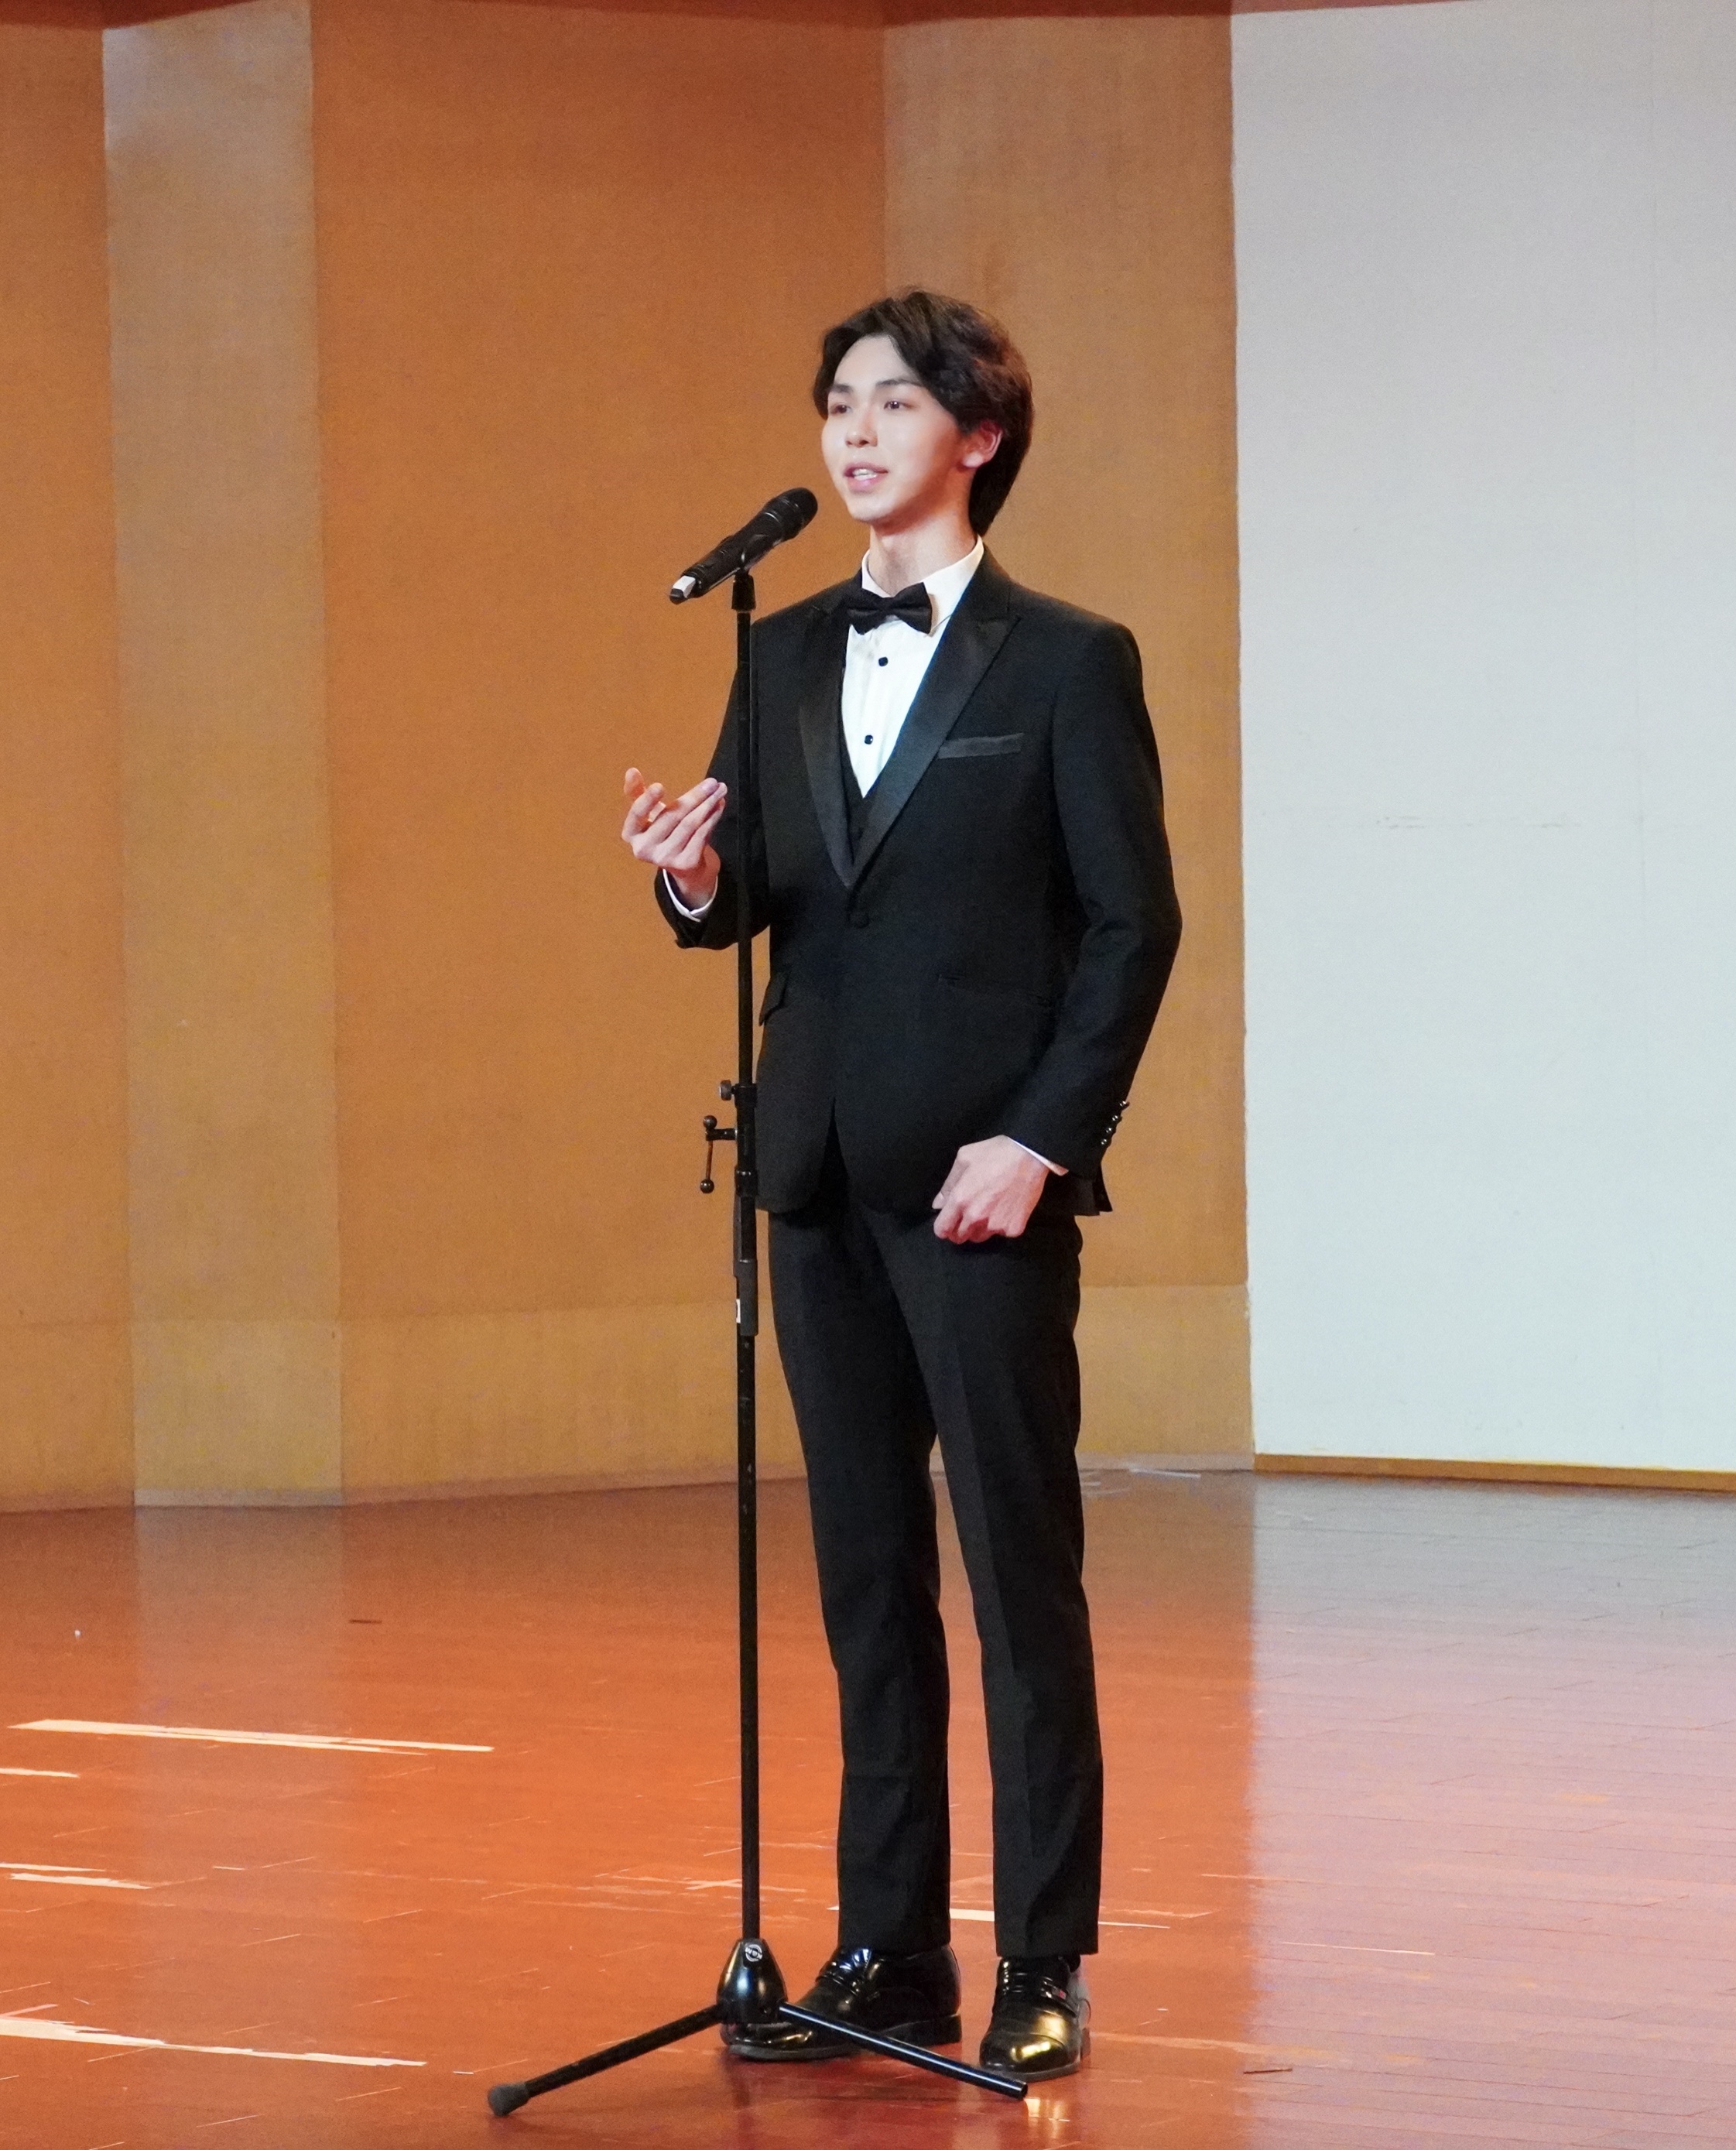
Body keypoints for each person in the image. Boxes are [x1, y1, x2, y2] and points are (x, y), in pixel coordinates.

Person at [617, 290, 1180, 2082]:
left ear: (978, 437)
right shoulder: (781, 652)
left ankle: (1043, 1958)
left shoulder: (1069, 662)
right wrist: (688, 878)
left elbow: (1133, 927)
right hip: (814, 1175)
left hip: (981, 1186)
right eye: (837, 405)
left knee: (1019, 1580)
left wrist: (1043, 1140)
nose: (854, 434)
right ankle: (887, 1953)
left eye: (893, 404)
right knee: (867, 1583)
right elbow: (758, 892)